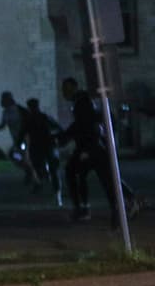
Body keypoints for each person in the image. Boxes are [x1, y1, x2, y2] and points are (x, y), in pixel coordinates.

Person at [58, 77, 141, 226]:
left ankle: (119, 206)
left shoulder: (83, 102)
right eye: (64, 89)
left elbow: (86, 125)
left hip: (92, 147)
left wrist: (84, 147)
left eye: (67, 88)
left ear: (74, 88)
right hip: (91, 146)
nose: (64, 92)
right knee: (98, 176)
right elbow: (81, 125)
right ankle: (90, 208)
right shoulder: (81, 102)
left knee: (104, 178)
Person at [23, 98, 62, 205]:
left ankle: (57, 194)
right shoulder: (31, 119)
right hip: (39, 147)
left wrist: (54, 137)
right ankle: (50, 189)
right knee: (39, 167)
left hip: (46, 147)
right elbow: (23, 133)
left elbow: (58, 128)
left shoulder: (42, 118)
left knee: (52, 170)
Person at [0, 91, 36, 188]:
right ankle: (28, 170)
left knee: (25, 156)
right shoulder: (5, 112)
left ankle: (35, 179)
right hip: (16, 140)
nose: (3, 101)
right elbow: (2, 125)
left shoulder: (20, 110)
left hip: (24, 138)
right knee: (14, 155)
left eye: (5, 99)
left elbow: (29, 122)